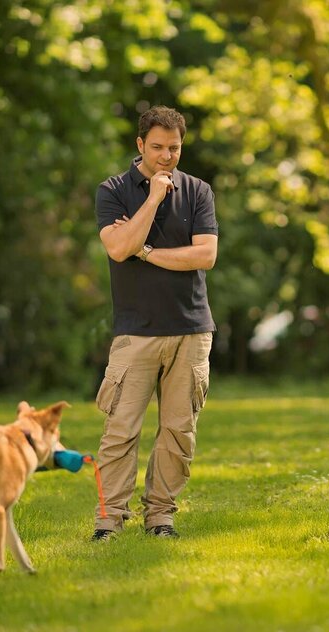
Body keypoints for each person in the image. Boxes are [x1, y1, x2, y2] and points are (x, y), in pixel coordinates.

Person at [91, 105, 218, 541]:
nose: (167, 156)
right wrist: (154, 198)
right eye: (159, 147)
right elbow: (117, 248)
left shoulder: (199, 190)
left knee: (178, 432)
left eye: (175, 148)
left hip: (191, 329)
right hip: (135, 331)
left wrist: (145, 252)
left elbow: (204, 256)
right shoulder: (112, 191)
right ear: (140, 144)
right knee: (120, 430)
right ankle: (109, 520)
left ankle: (161, 516)